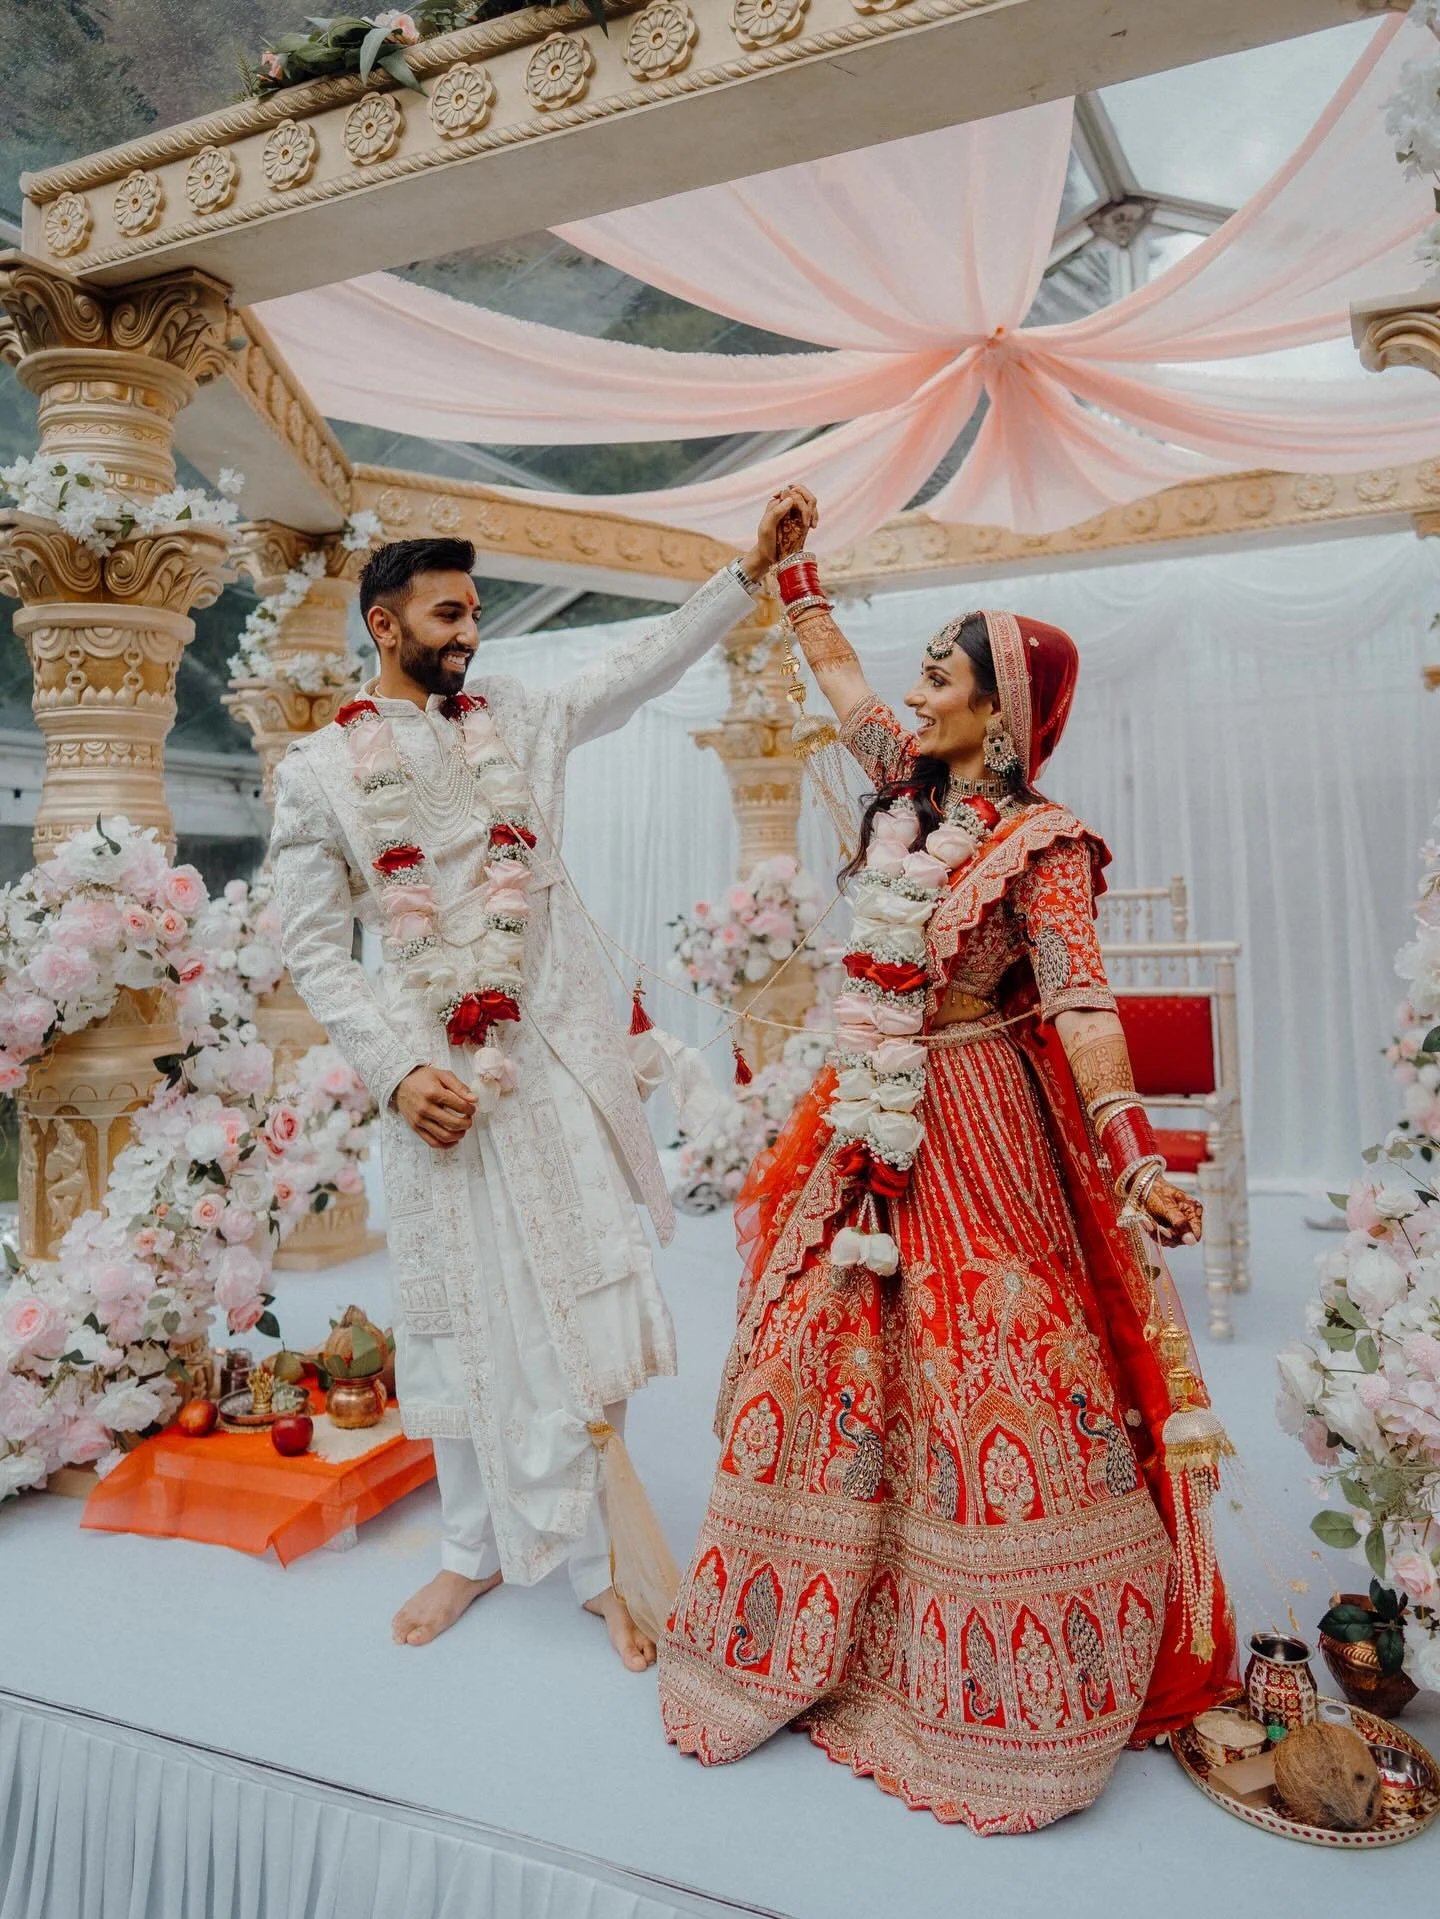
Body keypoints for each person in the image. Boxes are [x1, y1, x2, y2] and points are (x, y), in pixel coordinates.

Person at [658, 486, 1236, 1829]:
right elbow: (839, 674)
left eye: (943, 675)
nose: (915, 693)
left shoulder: (1046, 844)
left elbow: (1084, 1002)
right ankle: (810, 1621)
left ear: (1001, 709)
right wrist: (793, 570)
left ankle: (995, 1667)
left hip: (981, 1121)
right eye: (920, 672)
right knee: (819, 1331)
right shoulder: (903, 789)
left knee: (994, 1364)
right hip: (872, 1111)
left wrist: (1134, 1150)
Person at [270, 496, 804, 1665]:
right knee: (458, 1306)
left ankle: (604, 1569)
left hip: (550, 1051)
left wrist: (745, 574)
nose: (470, 632)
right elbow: (309, 942)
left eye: (476, 611)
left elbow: (633, 667)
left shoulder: (514, 714)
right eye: (448, 613)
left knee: (583, 1291)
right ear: (382, 623)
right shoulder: (319, 772)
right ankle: (468, 1551)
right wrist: (399, 1070)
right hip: (434, 1077)